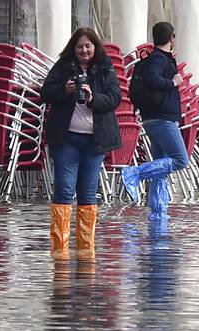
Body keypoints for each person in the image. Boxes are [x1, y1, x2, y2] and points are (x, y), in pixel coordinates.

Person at [40, 27, 122, 259]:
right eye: (79, 46)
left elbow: (115, 98)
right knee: (64, 190)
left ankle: (86, 249)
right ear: (73, 48)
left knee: (88, 193)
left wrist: (94, 97)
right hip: (66, 138)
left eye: (88, 45)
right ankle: (60, 250)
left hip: (95, 141)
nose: (84, 50)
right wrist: (64, 90)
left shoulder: (105, 67)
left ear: (95, 47)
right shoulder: (63, 66)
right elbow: (45, 93)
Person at [121, 21, 189, 221]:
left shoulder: (157, 58)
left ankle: (158, 213)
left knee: (161, 168)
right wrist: (173, 83)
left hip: (154, 118)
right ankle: (134, 173)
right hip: (162, 119)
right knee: (180, 160)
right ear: (171, 39)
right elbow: (152, 79)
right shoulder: (159, 59)